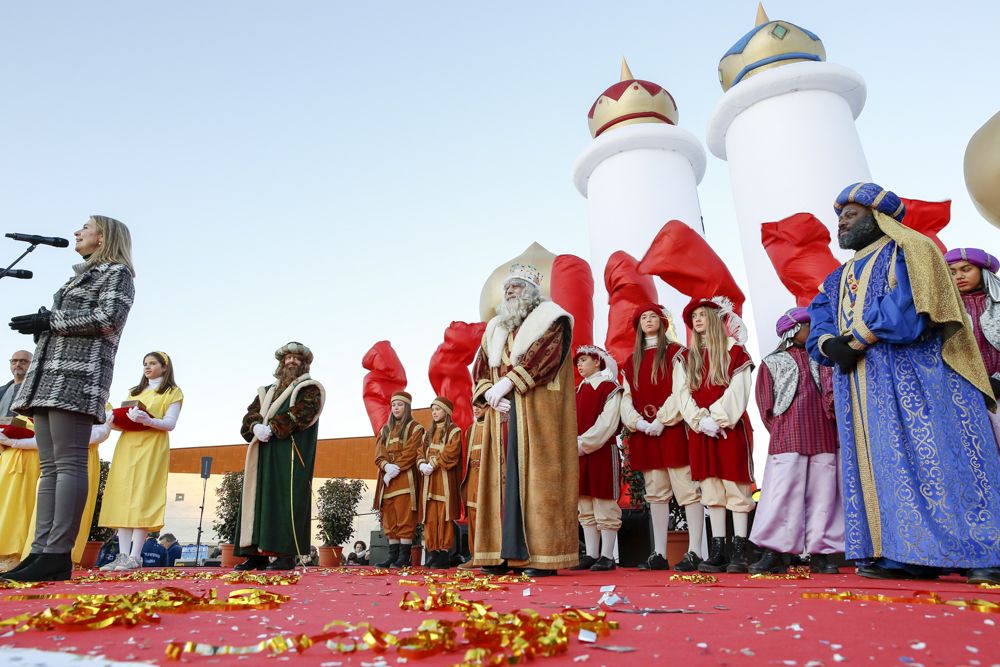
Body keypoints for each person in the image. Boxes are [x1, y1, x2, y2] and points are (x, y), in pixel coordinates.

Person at [807, 182, 1000, 585]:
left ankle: (979, 550)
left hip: (916, 376)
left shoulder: (911, 250)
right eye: (839, 214)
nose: (841, 220)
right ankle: (903, 552)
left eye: (851, 213)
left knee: (937, 457)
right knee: (883, 464)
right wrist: (829, 344)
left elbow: (909, 306)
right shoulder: (835, 278)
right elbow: (820, 318)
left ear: (879, 216)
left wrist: (857, 338)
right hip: (859, 385)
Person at [4, 215, 135, 583]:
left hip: (78, 376)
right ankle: (40, 550)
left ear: (103, 236)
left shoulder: (117, 273)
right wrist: (42, 327)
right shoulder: (79, 275)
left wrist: (50, 320)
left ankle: (59, 552)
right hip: (49, 374)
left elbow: (108, 317)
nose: (77, 232)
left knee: (68, 464)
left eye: (85, 227)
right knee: (50, 469)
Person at [472, 263, 578, 577]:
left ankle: (541, 557)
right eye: (507, 287)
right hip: (501, 413)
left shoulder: (551, 318)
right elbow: (480, 367)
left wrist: (510, 383)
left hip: (536, 412)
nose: (509, 291)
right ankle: (500, 555)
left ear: (531, 292)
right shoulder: (495, 327)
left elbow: (546, 355)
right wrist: (491, 392)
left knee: (536, 482)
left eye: (516, 286)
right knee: (500, 482)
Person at [749, 308, 844, 574]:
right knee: (782, 495)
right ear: (793, 330)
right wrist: (781, 429)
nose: (812, 331)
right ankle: (775, 552)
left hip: (824, 435)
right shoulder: (772, 362)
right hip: (788, 437)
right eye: (808, 326)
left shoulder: (825, 360)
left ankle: (821, 553)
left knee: (823, 494)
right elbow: (765, 406)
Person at [621, 305, 705, 572]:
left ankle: (695, 551)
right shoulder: (629, 362)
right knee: (656, 493)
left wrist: (663, 419)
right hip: (646, 433)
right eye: (643, 317)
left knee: (687, 490)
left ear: (662, 322)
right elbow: (625, 397)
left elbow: (681, 390)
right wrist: (639, 423)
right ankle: (658, 553)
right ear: (638, 325)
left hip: (672, 430)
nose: (648, 320)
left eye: (653, 316)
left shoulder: (676, 353)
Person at [679, 297, 756, 574]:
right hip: (703, 432)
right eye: (694, 316)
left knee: (735, 486)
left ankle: (740, 549)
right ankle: (718, 549)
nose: (697, 320)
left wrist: (718, 417)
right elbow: (682, 395)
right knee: (711, 488)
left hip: (730, 429)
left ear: (715, 318)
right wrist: (701, 421)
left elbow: (740, 389)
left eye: (702, 314)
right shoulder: (688, 358)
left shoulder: (736, 352)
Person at [234, 342, 325, 571]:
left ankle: (286, 554)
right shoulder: (266, 391)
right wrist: (255, 426)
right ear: (281, 362)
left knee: (286, 500)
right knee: (258, 501)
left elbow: (304, 412)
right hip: (263, 451)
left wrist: (273, 427)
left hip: (290, 454)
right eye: (288, 358)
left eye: (296, 358)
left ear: (303, 364)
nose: (291, 361)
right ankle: (256, 554)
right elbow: (249, 415)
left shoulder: (309, 388)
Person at [98, 352, 183, 571]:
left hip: (152, 445)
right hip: (128, 445)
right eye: (145, 364)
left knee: (142, 497)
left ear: (164, 367)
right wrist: (113, 421)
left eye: (152, 363)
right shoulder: (134, 392)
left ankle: (136, 556)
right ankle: (122, 554)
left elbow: (170, 423)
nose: (147, 367)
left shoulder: (173, 392)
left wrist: (149, 419)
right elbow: (125, 421)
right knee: (123, 497)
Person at [19, 407, 114, 566]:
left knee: (67, 467)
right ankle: (37, 552)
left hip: (78, 448)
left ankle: (56, 554)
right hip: (44, 395)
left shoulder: (103, 405)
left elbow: (98, 433)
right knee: (49, 469)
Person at [571, 345, 622, 572]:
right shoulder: (577, 391)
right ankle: (592, 553)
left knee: (604, 501)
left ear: (597, 361)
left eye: (583, 360)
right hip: (579, 451)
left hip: (601, 451)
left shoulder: (610, 388)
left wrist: (583, 443)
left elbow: (608, 422)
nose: (580, 365)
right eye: (578, 362)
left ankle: (607, 555)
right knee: (585, 503)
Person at [945, 247, 1000, 442]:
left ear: (983, 271)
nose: (958, 276)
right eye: (952, 272)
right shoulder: (944, 312)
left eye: (965, 269)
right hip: (962, 395)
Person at [372, 391, 424, 568]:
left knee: (404, 517)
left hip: (404, 478)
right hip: (387, 480)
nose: (396, 408)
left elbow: (412, 451)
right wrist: (386, 466)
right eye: (393, 405)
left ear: (407, 407)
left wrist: (396, 468)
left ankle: (404, 557)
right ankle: (392, 556)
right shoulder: (384, 429)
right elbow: (379, 452)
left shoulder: (416, 428)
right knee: (390, 518)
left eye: (400, 405)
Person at [418, 396, 463, 569]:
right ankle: (432, 552)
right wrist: (422, 463)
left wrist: (433, 463)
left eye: (437, 409)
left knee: (444, 517)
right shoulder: (428, 434)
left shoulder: (454, 431)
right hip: (429, 481)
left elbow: (452, 453)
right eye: (433, 410)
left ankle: (444, 554)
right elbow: (419, 452)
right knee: (430, 518)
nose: (434, 413)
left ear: (447, 411)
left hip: (443, 481)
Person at [458, 403, 486, 569]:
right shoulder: (470, 430)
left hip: (487, 476)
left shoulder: (493, 425)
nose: (476, 408)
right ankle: (475, 555)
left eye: (480, 405)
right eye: (474, 405)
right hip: (472, 477)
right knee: (474, 517)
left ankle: (489, 555)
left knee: (487, 516)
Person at [0, 351, 32, 418]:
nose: (17, 364)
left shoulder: (38, 390)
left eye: (23, 361)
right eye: (14, 361)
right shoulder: (1, 390)